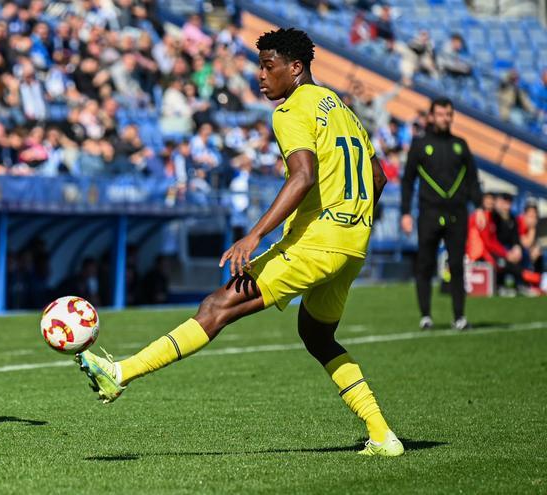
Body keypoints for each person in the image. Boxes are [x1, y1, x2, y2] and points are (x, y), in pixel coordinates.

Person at [75, 28, 402, 457]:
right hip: (353, 242)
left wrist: (256, 233)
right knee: (317, 336)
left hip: (319, 242)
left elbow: (303, 177)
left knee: (217, 306)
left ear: (296, 68)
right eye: (259, 66)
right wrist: (350, 222)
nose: (260, 76)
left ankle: (119, 372)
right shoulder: (343, 108)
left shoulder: (290, 112)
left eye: (269, 67)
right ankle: (382, 435)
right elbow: (378, 177)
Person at [401, 98, 483, 331]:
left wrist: (478, 207)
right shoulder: (419, 145)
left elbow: (473, 179)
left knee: (457, 265)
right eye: (440, 114)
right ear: (431, 116)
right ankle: (425, 315)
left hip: (457, 214)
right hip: (429, 213)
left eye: (448, 115)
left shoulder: (461, 144)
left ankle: (459, 317)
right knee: (424, 265)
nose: (445, 119)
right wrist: (406, 213)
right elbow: (407, 181)